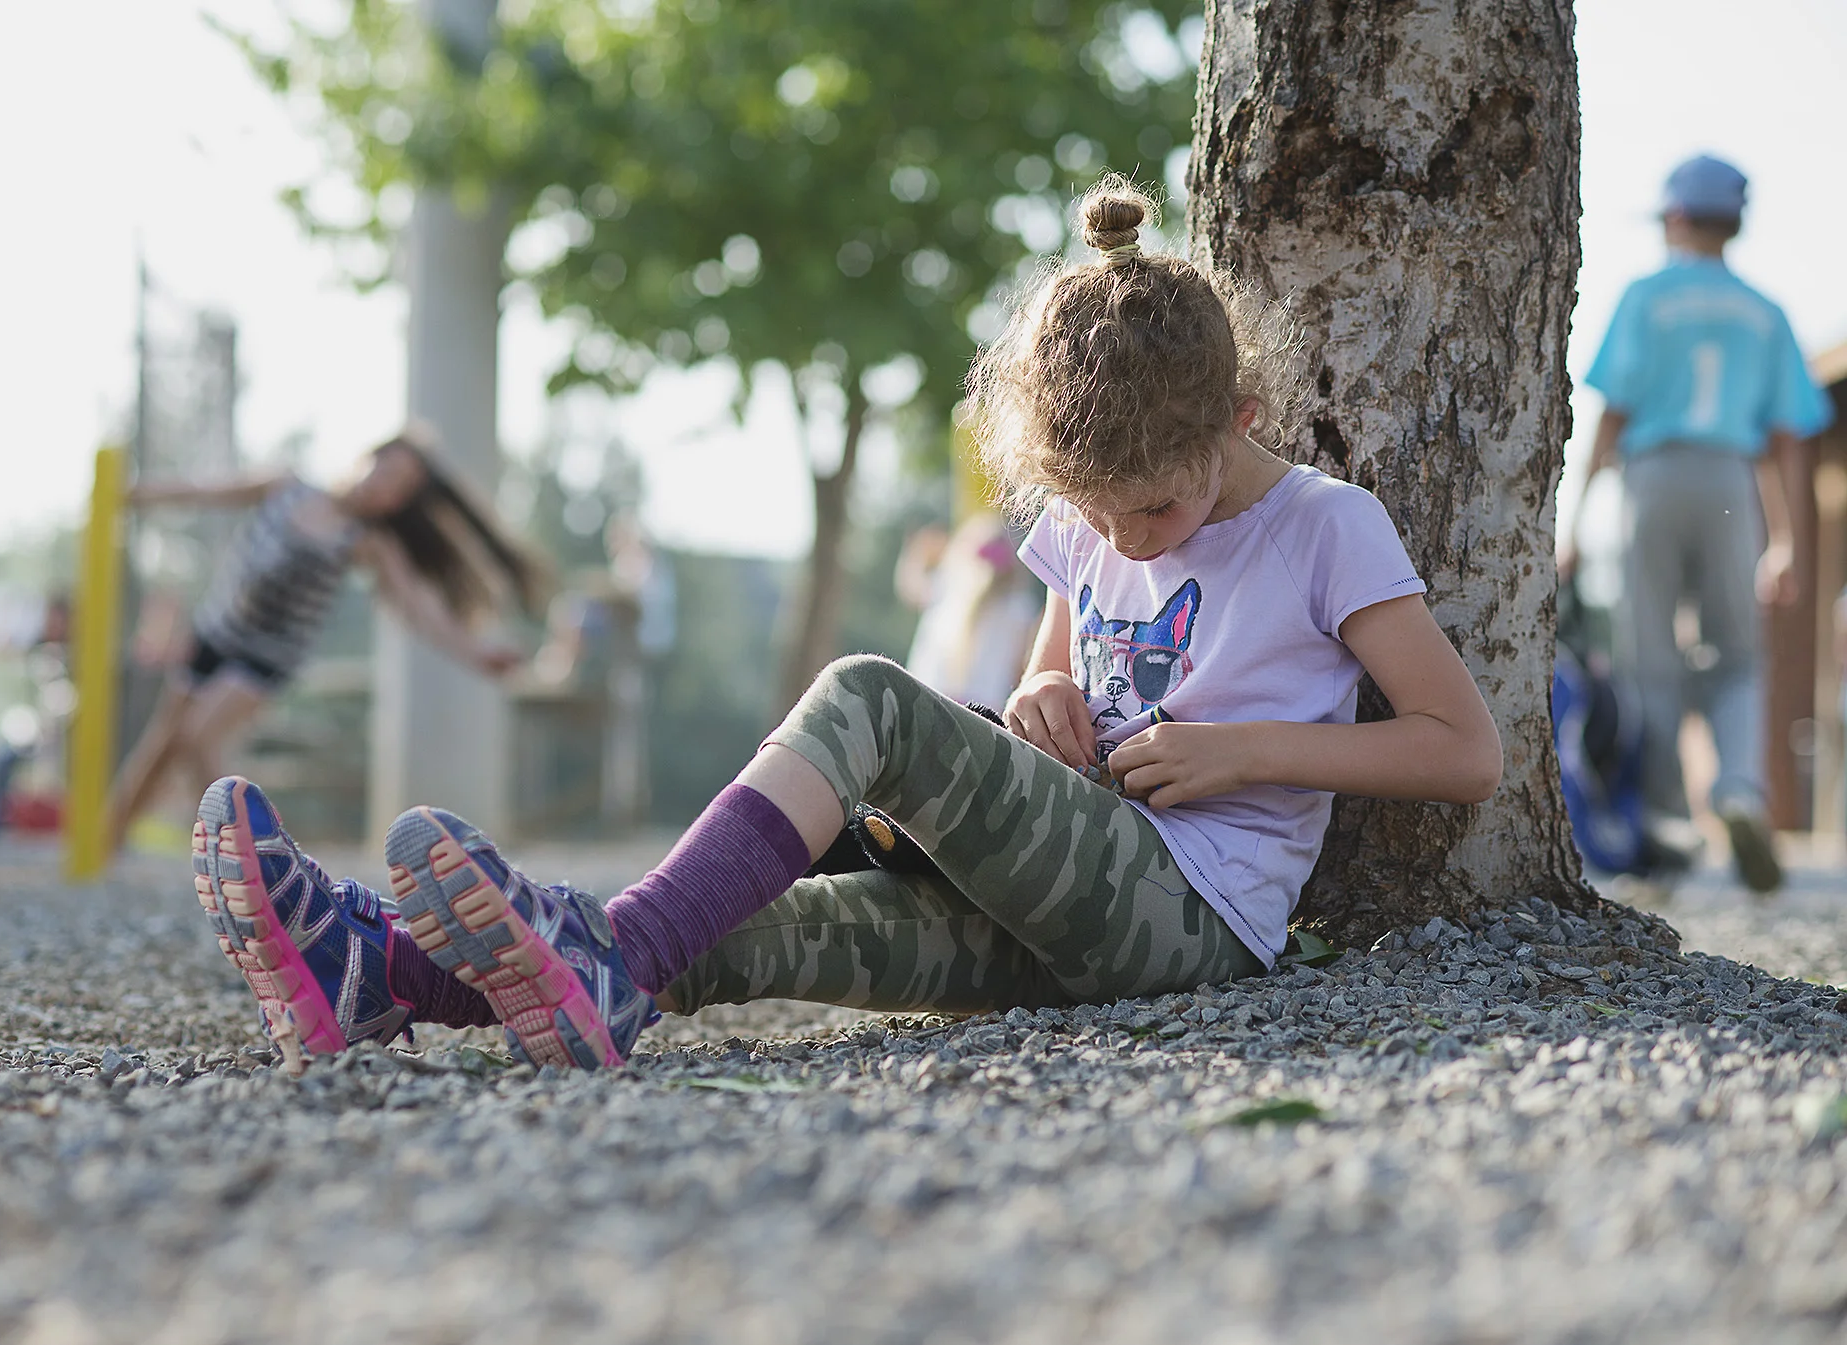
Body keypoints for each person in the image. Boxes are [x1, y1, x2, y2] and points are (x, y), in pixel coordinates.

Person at [190, 176, 1503, 1074]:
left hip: (1193, 916)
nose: (1123, 541)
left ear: (1241, 421)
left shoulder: (1325, 527)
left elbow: (1462, 750)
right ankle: (388, 981)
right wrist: (1047, 709)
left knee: (870, 696)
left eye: (1153, 508)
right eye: (1093, 514)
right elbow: (1059, 687)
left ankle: (614, 948)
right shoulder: (1095, 523)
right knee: (776, 921)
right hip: (1070, 889)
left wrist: (1249, 752)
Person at [1561, 154, 1834, 892]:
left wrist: (1577, 524)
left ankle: (1664, 818)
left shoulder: (1648, 296)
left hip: (1651, 480)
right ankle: (1740, 788)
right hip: (1730, 481)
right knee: (1740, 653)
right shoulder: (1768, 310)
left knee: (1649, 651)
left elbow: (1610, 415)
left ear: (1675, 218)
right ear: (1735, 223)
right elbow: (1788, 437)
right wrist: (1786, 544)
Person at [105, 426, 545, 852]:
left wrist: (475, 653)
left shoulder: (367, 541)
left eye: (399, 488)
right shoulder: (286, 486)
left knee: (198, 738)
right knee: (162, 743)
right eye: (386, 470)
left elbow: (419, 609)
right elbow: (204, 492)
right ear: (367, 458)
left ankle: (255, 859)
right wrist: (133, 493)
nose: (382, 486)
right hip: (216, 632)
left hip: (264, 659)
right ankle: (104, 843)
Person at [896, 512, 1044, 711]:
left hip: (928, 698)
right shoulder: (1020, 608)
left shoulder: (947, 588)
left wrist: (915, 553)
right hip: (983, 713)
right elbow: (1021, 668)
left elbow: (909, 588)